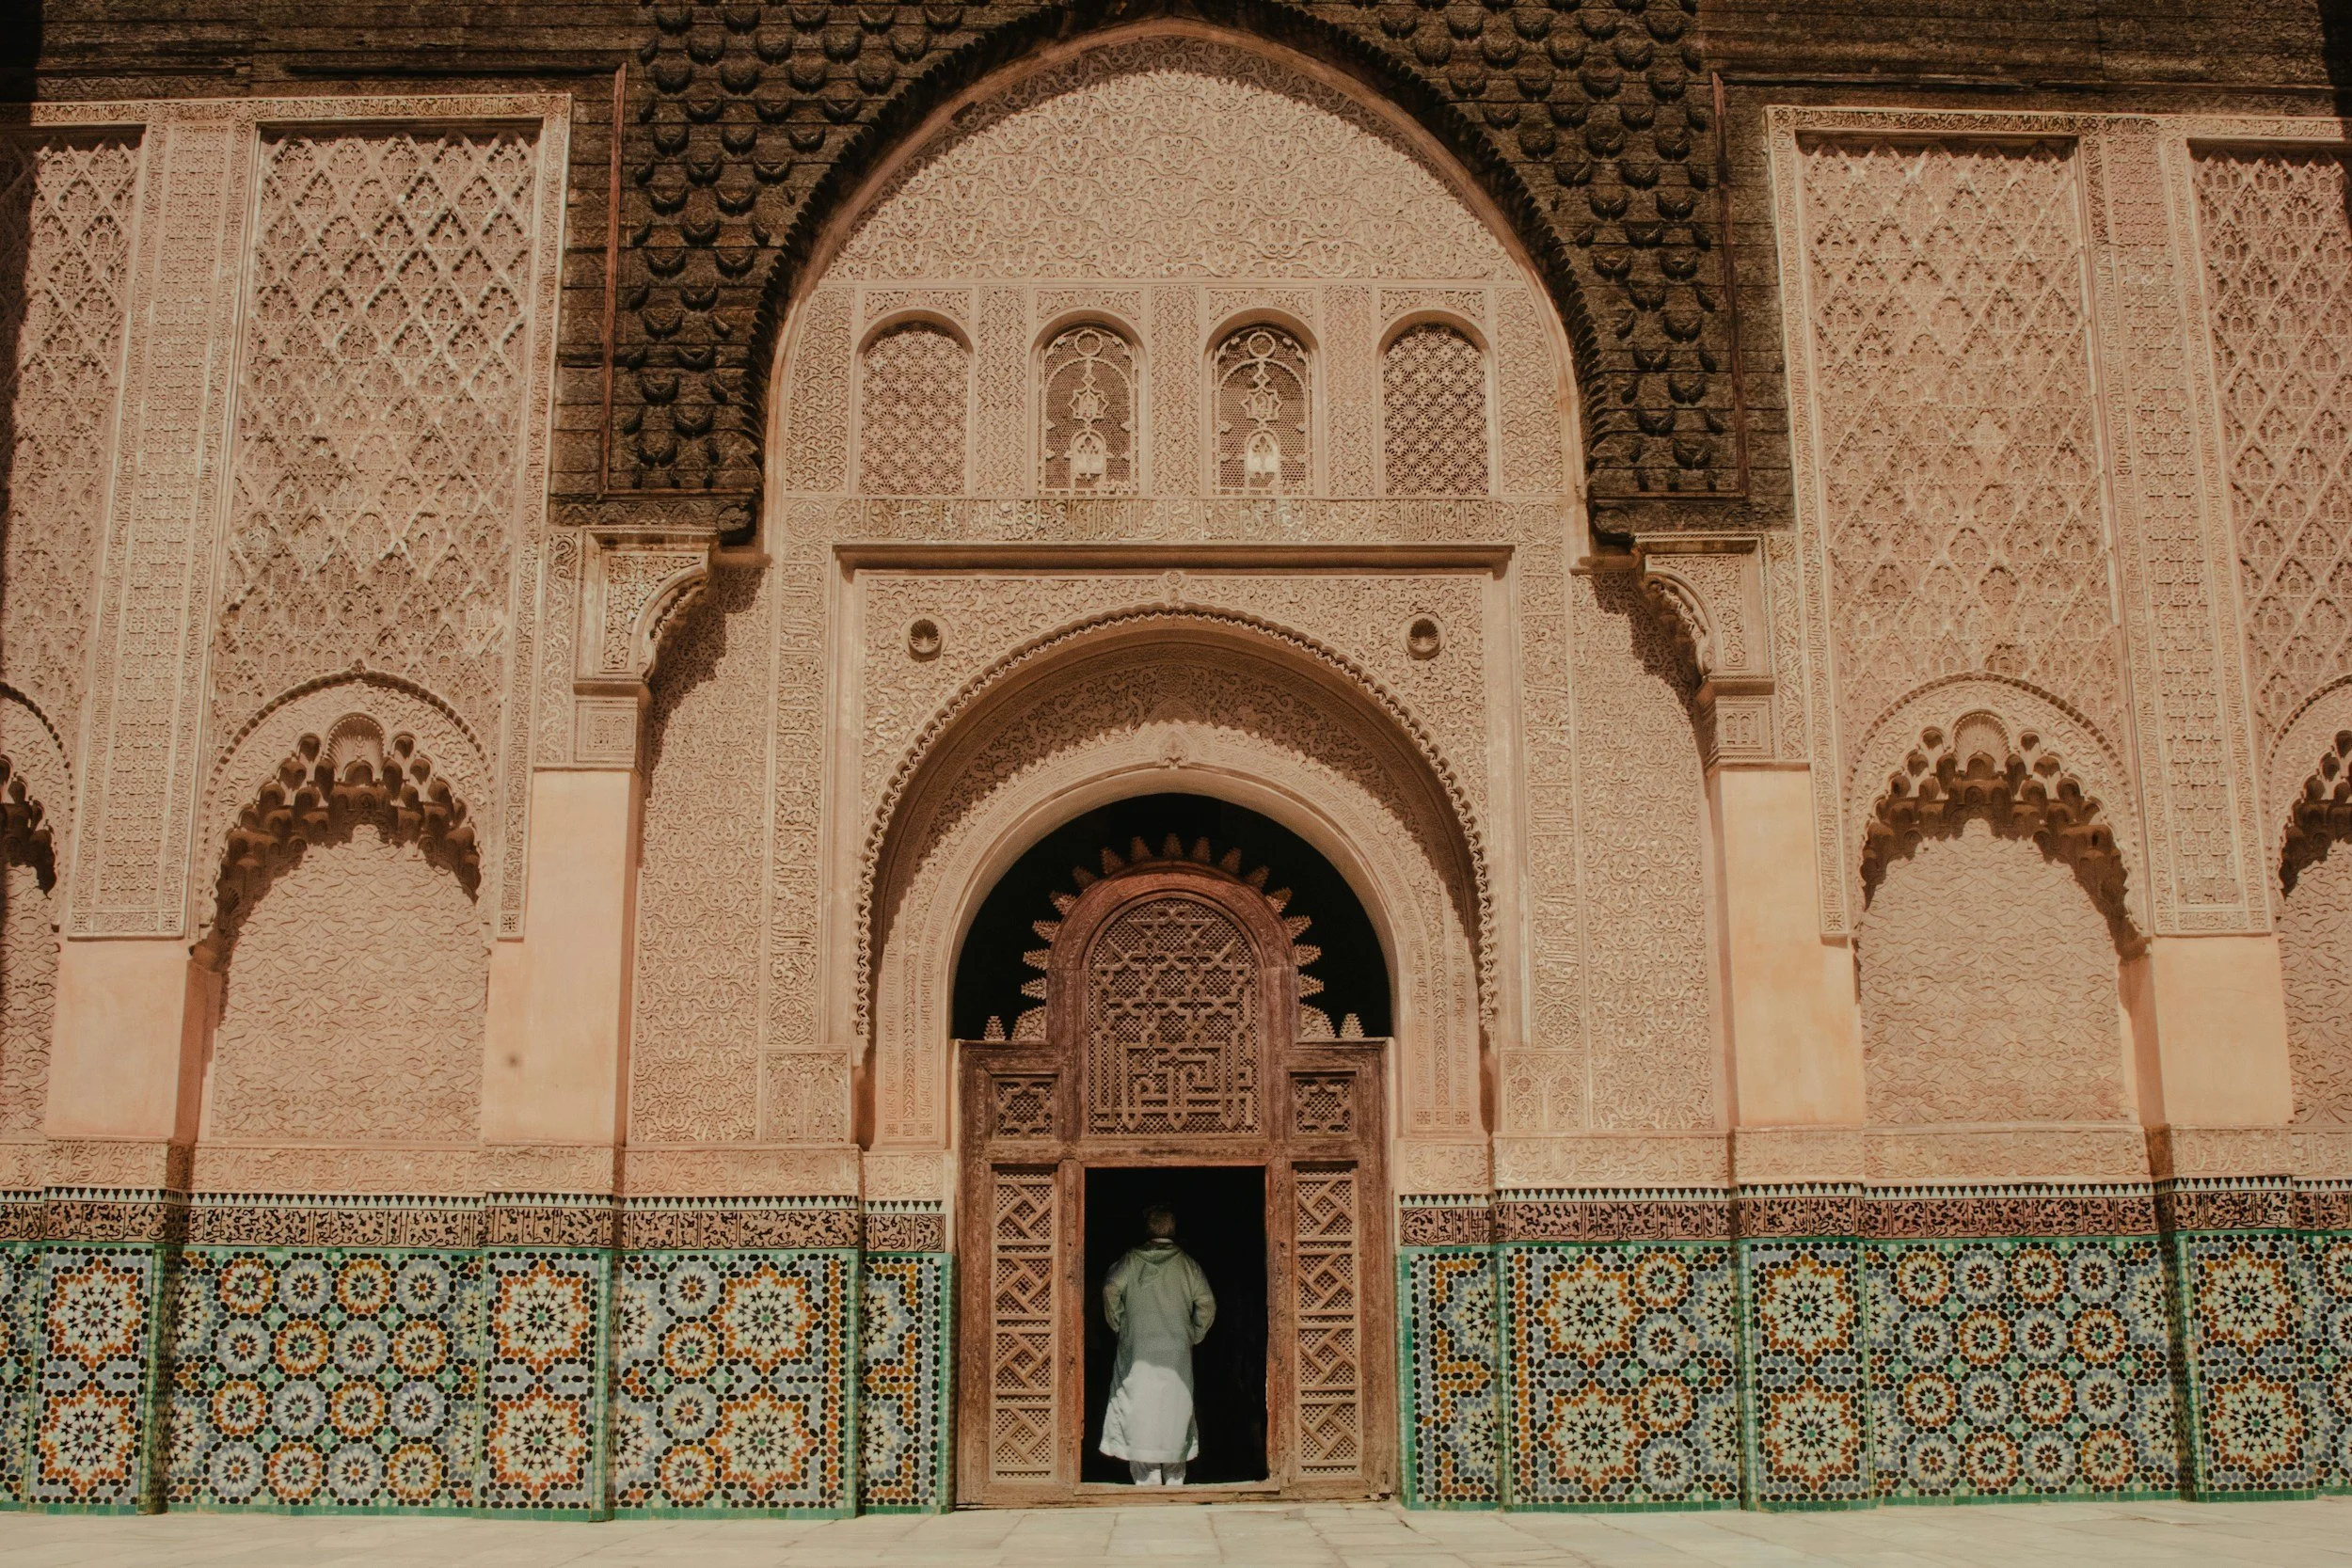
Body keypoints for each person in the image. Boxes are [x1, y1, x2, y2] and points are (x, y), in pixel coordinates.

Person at [1098, 1202, 1216, 1485]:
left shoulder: (1131, 1261)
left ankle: (1145, 1479)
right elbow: (1207, 1303)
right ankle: (1175, 1478)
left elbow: (1110, 1288)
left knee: (1139, 1404)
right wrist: (1194, 1333)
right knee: (1175, 1406)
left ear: (1147, 1229)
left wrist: (1120, 1324)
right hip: (1176, 1351)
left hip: (1137, 1347)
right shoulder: (1188, 1265)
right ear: (1173, 1230)